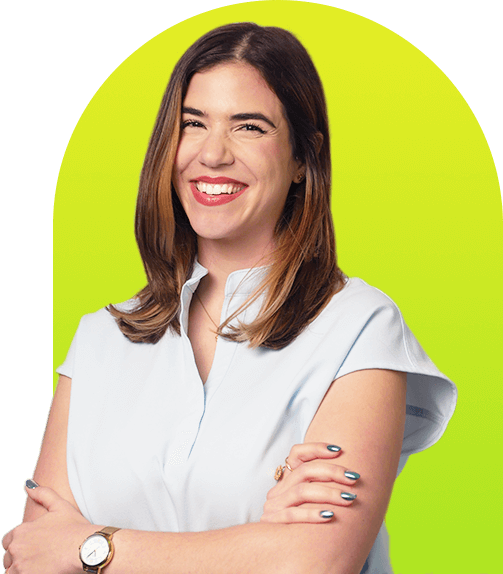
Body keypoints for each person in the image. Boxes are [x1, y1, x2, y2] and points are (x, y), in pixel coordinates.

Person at [2, 22, 457, 574]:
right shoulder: (100, 340)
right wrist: (258, 543)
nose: (212, 154)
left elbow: (315, 563)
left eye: (249, 127)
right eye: (193, 123)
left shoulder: (360, 328)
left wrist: (93, 548)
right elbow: (31, 556)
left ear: (302, 158)